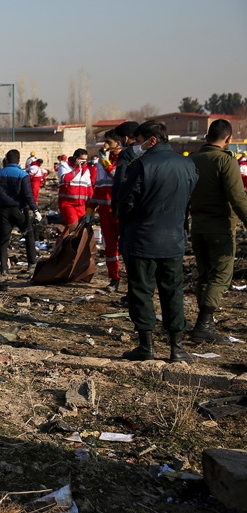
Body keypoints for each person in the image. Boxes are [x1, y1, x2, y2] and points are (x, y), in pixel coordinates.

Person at [115, 120, 197, 362]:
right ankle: (177, 347)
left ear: (151, 140)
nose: (136, 146)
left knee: (141, 292)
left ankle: (146, 346)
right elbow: (188, 198)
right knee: (173, 292)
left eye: (139, 141)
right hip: (173, 241)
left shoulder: (141, 166)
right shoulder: (188, 164)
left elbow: (125, 203)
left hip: (142, 240)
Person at [187, 119, 247, 344]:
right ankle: (203, 325)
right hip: (220, 227)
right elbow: (237, 197)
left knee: (204, 275)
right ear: (229, 139)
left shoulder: (192, 160)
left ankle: (206, 325)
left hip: (198, 226)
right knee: (221, 276)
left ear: (206, 137)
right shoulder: (225, 161)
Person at [0, 150, 39, 274]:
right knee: (28, 234)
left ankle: (4, 268)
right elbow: (28, 195)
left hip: (4, 210)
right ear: (19, 160)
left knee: (4, 239)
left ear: (7, 160)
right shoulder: (22, 175)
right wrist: (35, 210)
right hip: (19, 210)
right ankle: (32, 263)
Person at [89, 131, 124, 291]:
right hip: (105, 210)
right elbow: (99, 186)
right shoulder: (102, 161)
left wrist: (105, 163)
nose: (106, 145)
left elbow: (118, 176)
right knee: (110, 247)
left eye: (109, 141)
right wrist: (90, 209)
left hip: (122, 209)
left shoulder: (126, 158)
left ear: (118, 142)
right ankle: (114, 279)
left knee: (128, 246)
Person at [59, 148, 95, 229]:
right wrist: (77, 169)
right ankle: (63, 241)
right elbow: (66, 179)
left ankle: (68, 241)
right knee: (73, 227)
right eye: (81, 159)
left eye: (85, 160)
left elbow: (89, 188)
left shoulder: (86, 170)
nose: (83, 162)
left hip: (81, 205)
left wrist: (92, 204)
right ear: (75, 158)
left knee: (81, 228)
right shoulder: (64, 166)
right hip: (67, 204)